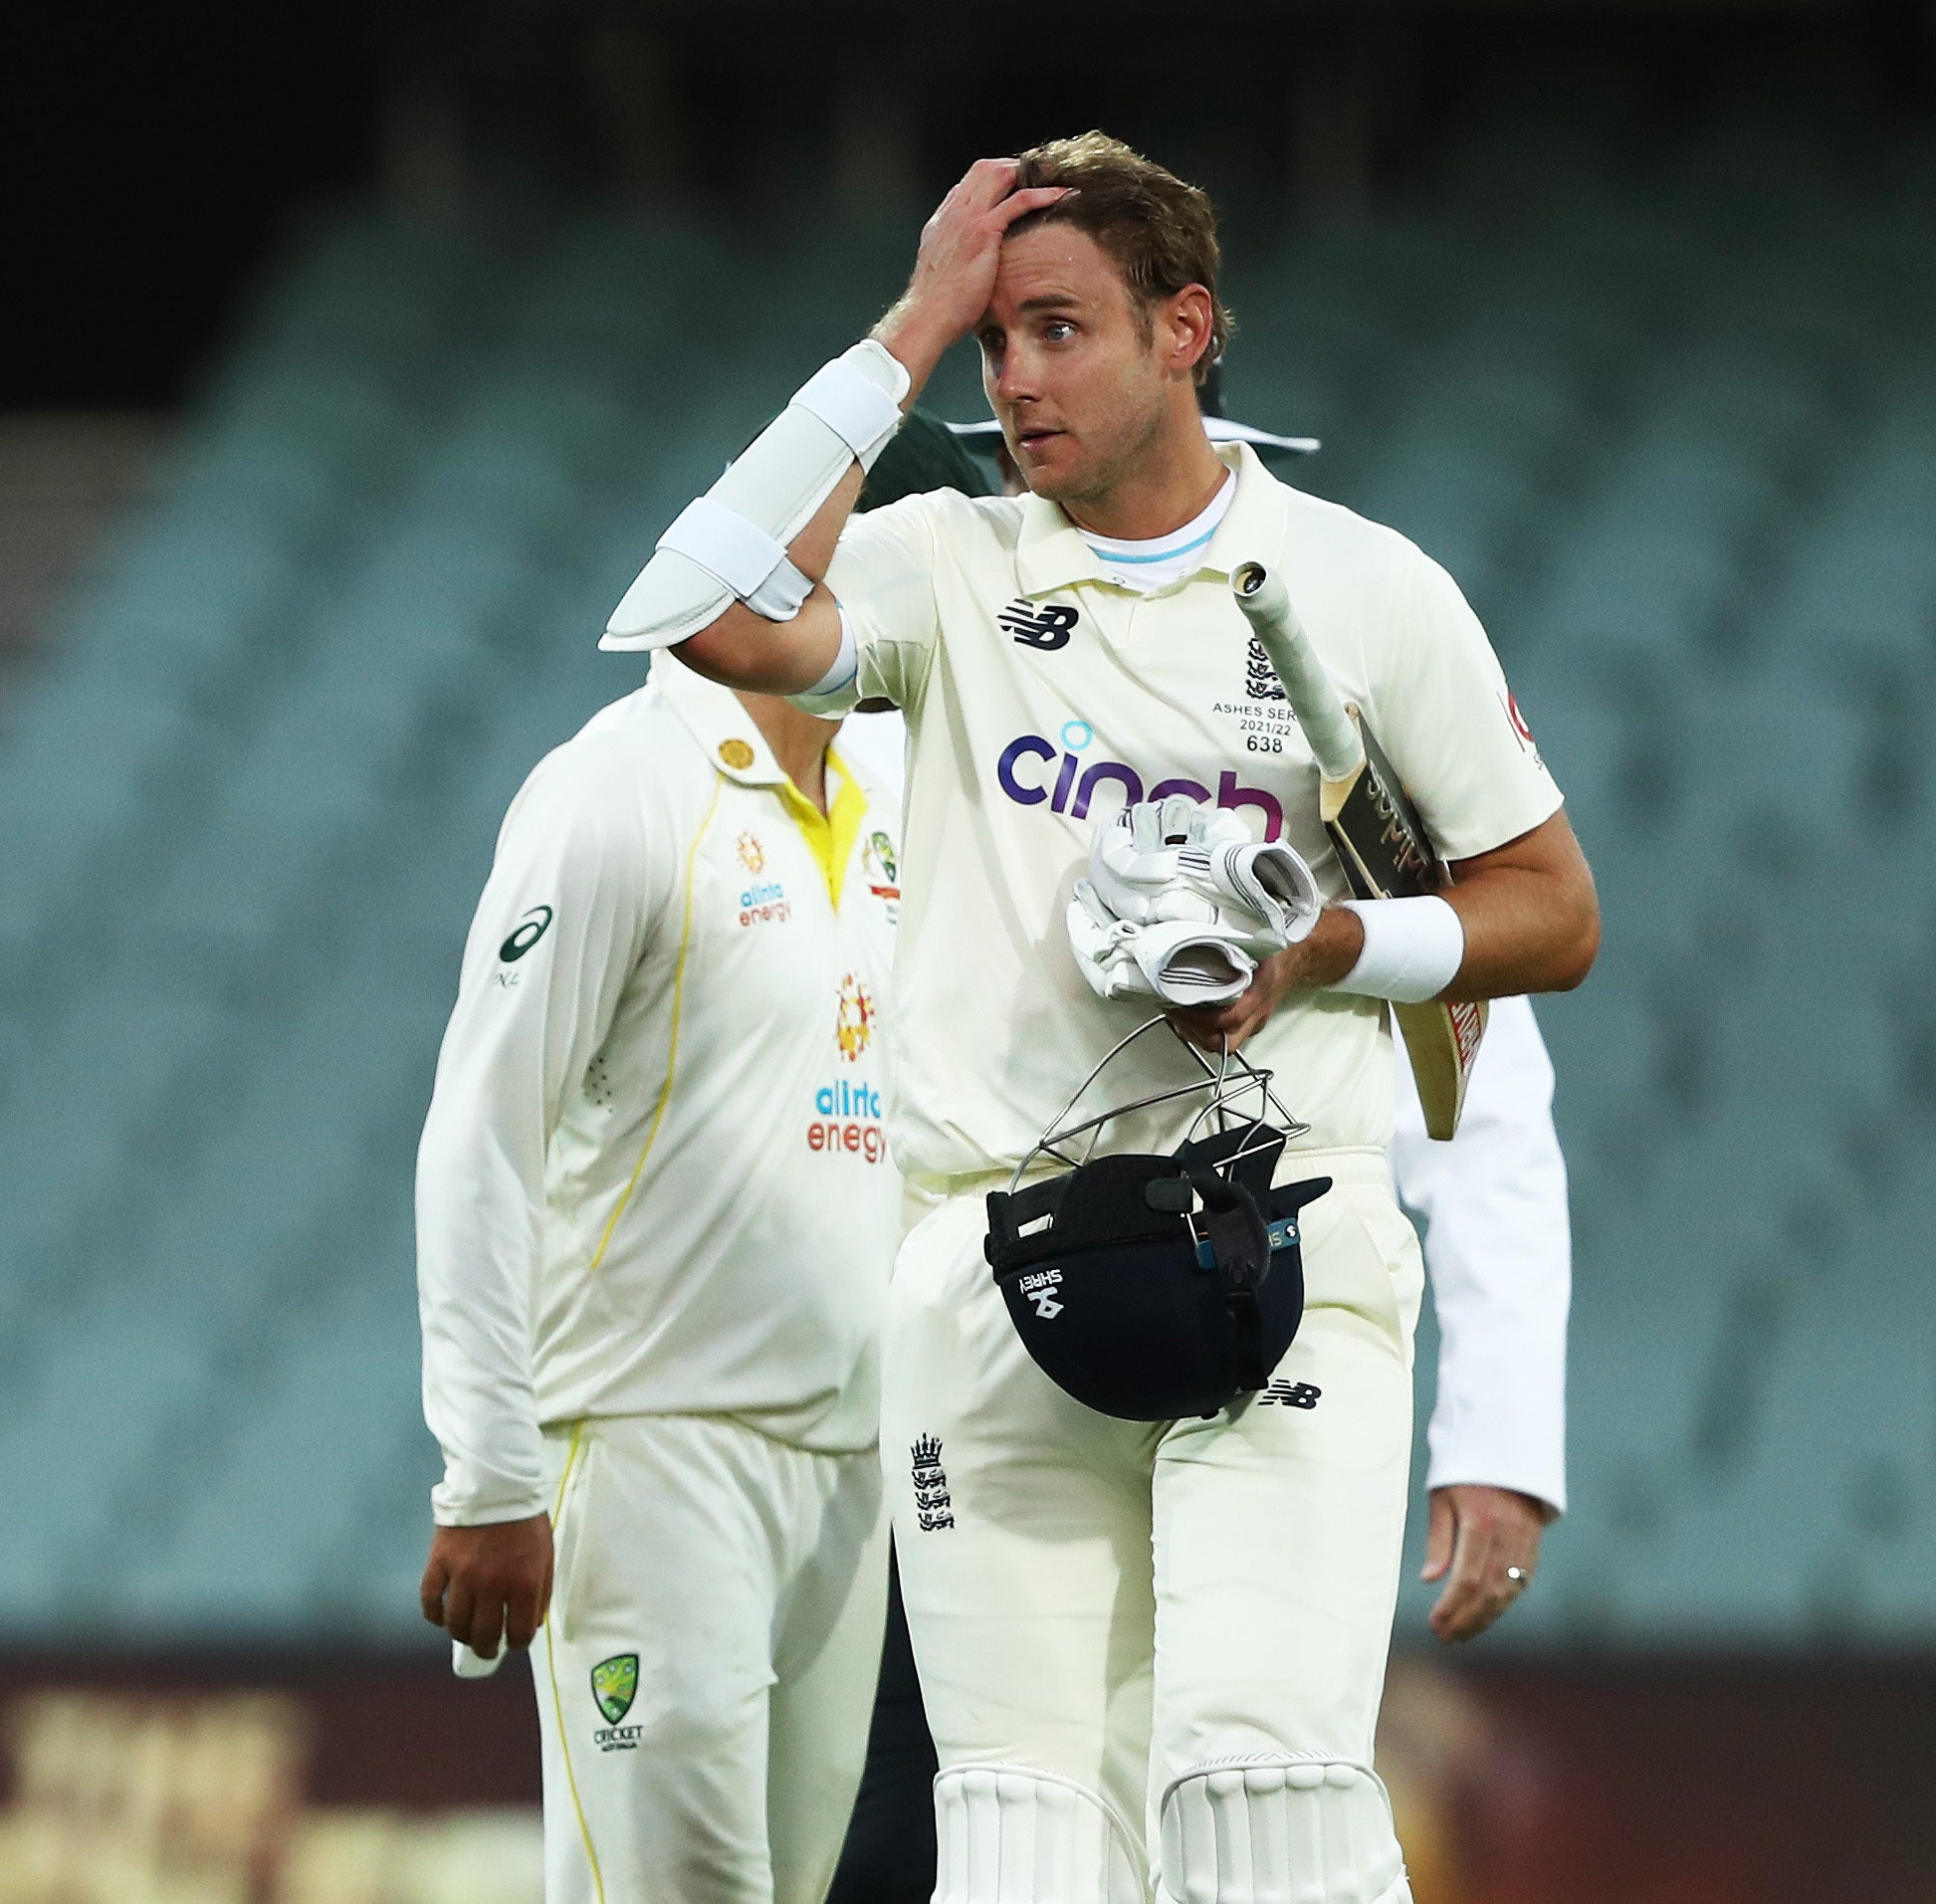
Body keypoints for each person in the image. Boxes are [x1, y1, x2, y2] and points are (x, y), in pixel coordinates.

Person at [604, 135, 1599, 1902]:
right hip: (986, 1257)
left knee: (1259, 1793)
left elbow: (1553, 915)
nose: (1014, 379)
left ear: (1184, 328)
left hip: (1277, 1239)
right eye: (993, 342)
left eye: (1054, 330)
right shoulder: (947, 562)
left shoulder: (1364, 591)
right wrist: (902, 325)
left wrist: (1321, 947)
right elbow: (691, 614)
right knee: (1015, 1836)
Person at [415, 423, 986, 1903]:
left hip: (849, 1462)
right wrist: (486, 1472)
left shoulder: (892, 799)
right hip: (657, 1447)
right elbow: (481, 1138)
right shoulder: (614, 790)